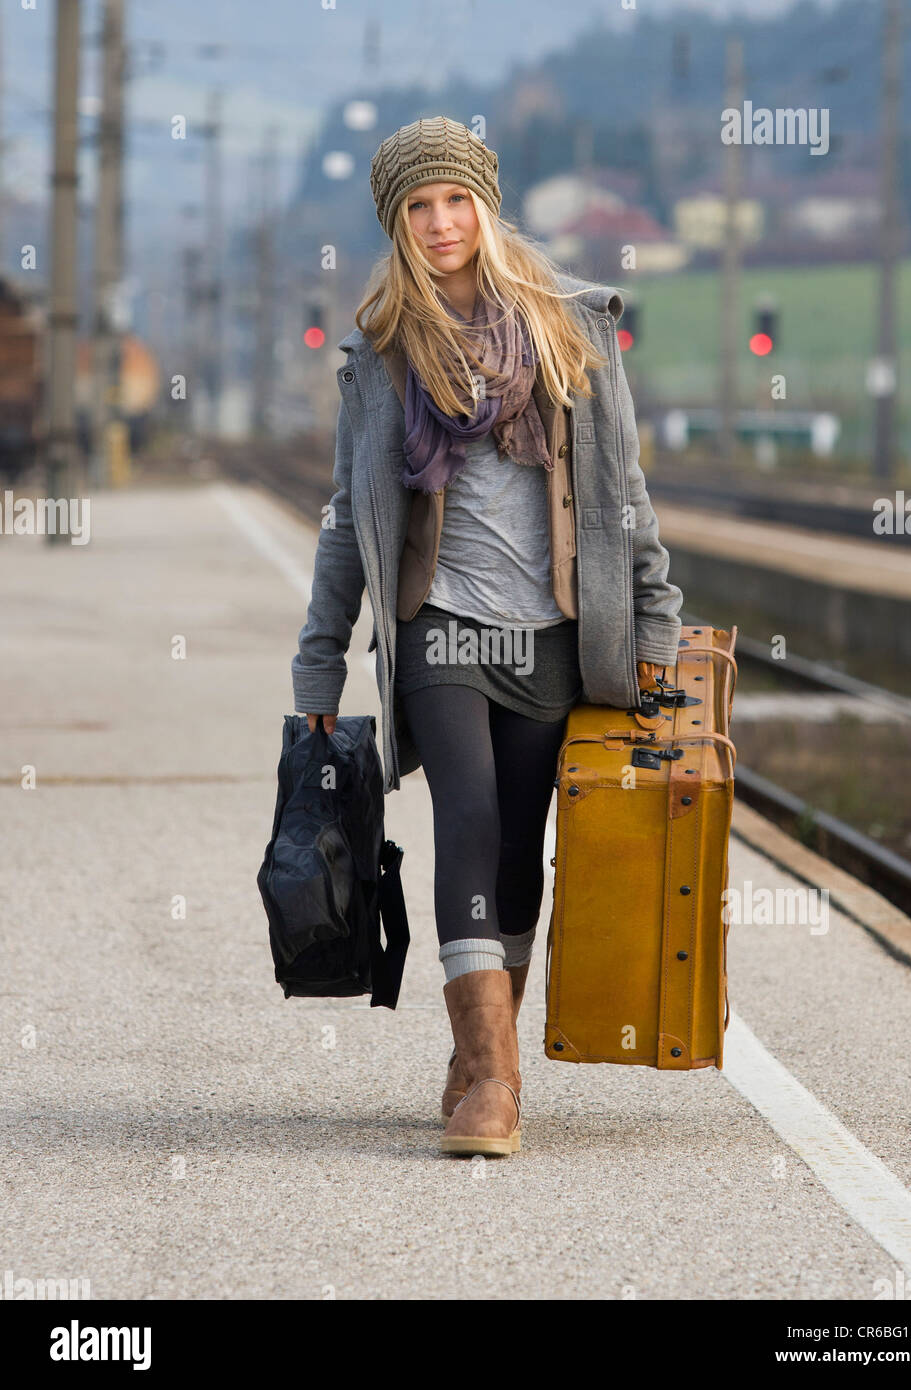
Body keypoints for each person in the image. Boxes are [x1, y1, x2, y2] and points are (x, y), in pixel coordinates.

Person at [291, 116, 683, 1158]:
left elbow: (624, 500)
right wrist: (319, 658)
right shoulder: (381, 357)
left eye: (454, 200)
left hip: (552, 633)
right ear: (396, 226)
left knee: (519, 850)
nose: (440, 222)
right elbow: (348, 518)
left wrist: (658, 625)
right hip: (442, 626)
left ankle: (475, 1052)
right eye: (417, 207)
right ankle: (498, 1085)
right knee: (464, 813)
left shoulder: (569, 328)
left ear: (486, 206)